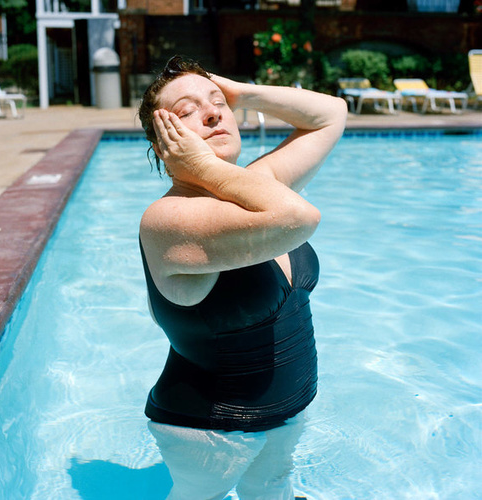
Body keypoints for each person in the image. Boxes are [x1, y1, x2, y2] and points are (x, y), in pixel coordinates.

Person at [138, 56, 347, 500]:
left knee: (271, 488)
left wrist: (240, 92)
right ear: (163, 143)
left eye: (219, 105)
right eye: (187, 111)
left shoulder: (256, 184)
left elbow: (332, 113)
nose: (214, 114)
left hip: (285, 413)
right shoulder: (168, 220)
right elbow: (301, 218)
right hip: (208, 431)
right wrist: (205, 167)